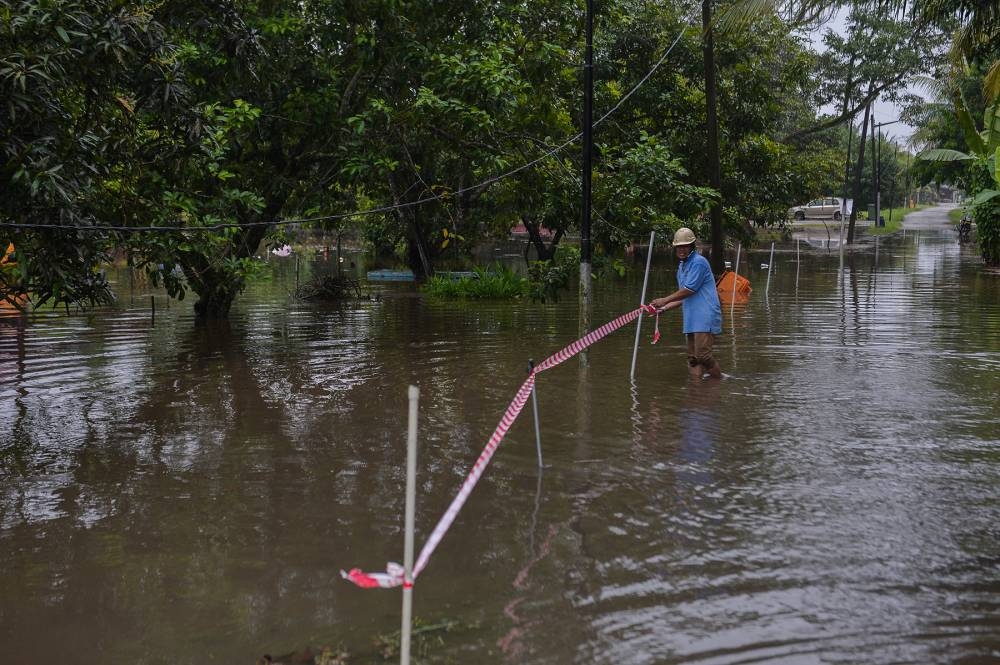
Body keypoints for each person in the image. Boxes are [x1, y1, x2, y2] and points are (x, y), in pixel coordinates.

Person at [649, 227, 723, 379]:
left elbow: (689, 290)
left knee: (703, 356)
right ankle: (696, 391)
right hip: (691, 317)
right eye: (679, 246)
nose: (682, 250)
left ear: (691, 246)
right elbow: (682, 298)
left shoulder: (699, 263)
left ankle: (719, 382)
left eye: (685, 246)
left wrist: (664, 300)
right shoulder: (681, 268)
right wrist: (662, 308)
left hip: (705, 315)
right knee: (693, 359)